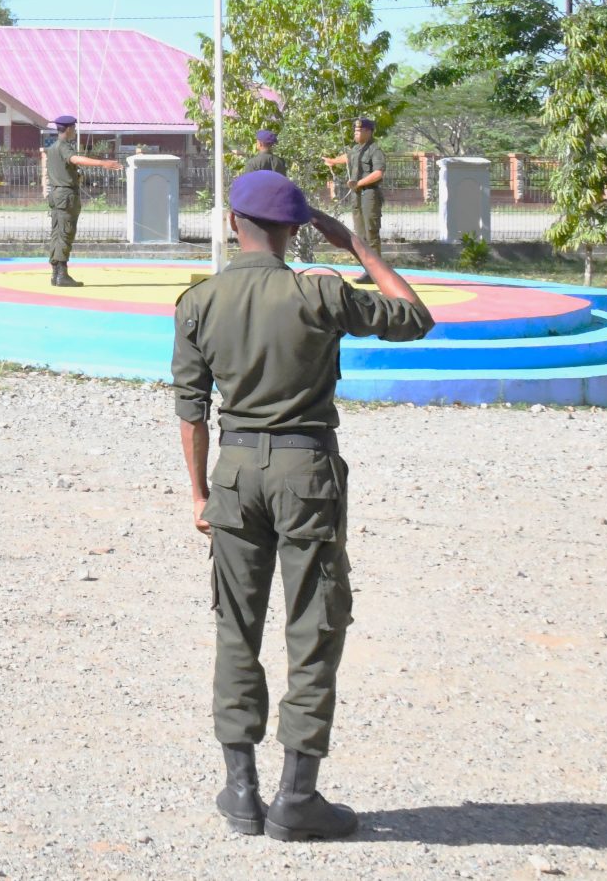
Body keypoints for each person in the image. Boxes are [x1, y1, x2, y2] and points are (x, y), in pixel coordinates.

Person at [171, 169, 434, 840]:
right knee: (313, 625)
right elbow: (414, 316)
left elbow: (192, 410)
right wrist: (356, 245)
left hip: (234, 474)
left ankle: (239, 791)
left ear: (233, 224)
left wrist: (200, 492)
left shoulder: (198, 301)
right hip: (305, 470)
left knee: (237, 626)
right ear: (295, 230)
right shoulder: (318, 291)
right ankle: (296, 796)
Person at [41, 116, 117, 288]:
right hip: (66, 195)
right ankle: (61, 275)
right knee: (65, 233)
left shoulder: (52, 148)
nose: (74, 131)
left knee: (57, 233)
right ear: (68, 129)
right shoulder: (64, 147)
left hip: (57, 194)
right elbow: (74, 159)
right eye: (73, 128)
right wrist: (102, 163)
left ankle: (56, 274)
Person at [325, 118, 389, 279]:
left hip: (369, 194)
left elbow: (378, 172)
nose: (356, 133)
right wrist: (332, 161)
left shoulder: (374, 150)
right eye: (355, 130)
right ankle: (368, 270)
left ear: (368, 131)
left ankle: (377, 273)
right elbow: (348, 157)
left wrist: (359, 182)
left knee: (371, 233)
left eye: (359, 130)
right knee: (360, 234)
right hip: (357, 195)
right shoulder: (356, 149)